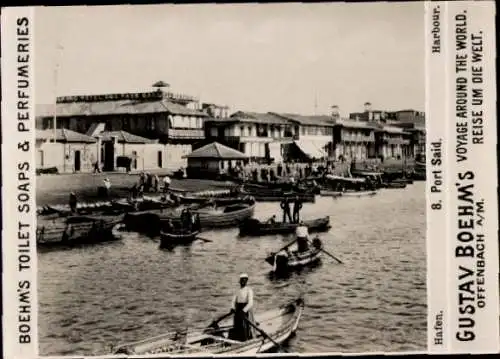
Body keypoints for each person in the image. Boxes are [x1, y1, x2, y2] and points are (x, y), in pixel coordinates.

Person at [230, 273, 255, 341]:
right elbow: (233, 301)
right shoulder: (237, 291)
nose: (243, 281)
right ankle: (238, 339)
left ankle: (246, 339)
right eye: (242, 280)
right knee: (237, 325)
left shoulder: (249, 290)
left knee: (245, 326)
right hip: (238, 310)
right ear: (240, 281)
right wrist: (232, 308)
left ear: (246, 281)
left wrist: (244, 310)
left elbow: (250, 303)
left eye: (245, 280)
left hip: (246, 311)